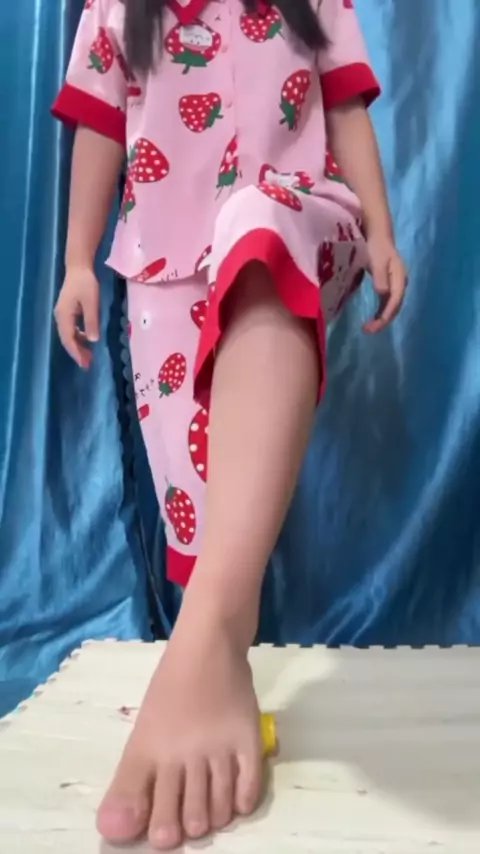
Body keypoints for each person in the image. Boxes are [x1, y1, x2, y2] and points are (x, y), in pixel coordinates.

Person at [52, 0, 407, 848]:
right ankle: (218, 659)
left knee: (256, 220)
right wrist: (76, 263)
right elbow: (101, 126)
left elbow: (344, 105)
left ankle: (207, 639)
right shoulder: (114, 10)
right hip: (162, 262)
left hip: (294, 215)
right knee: (194, 495)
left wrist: (384, 231)